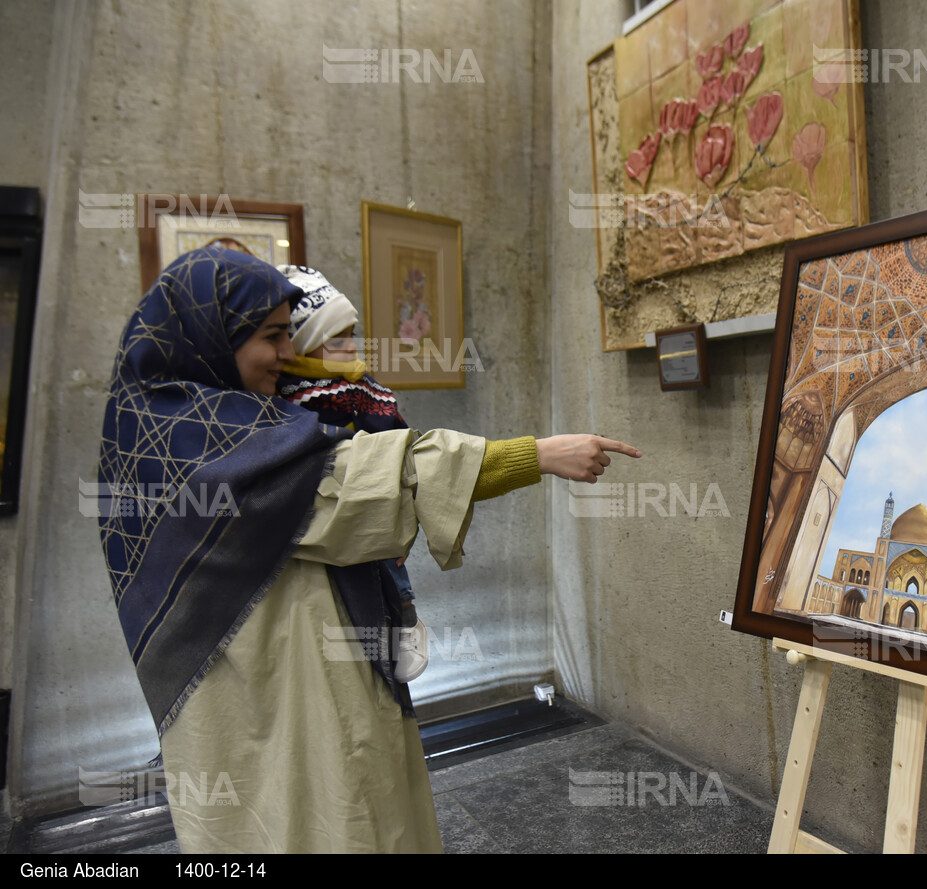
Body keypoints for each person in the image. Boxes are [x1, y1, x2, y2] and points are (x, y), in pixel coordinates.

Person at [97, 245, 639, 853]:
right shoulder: (207, 441)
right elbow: (363, 483)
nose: (287, 352)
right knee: (329, 819)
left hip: (284, 674)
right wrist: (535, 456)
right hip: (277, 696)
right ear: (213, 335)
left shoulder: (170, 417)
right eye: (272, 336)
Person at [273, 263, 426, 679]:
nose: (350, 347)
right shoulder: (287, 393)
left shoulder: (361, 385)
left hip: (376, 494)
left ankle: (406, 618)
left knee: (391, 567)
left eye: (351, 335)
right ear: (304, 345)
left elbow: (395, 435)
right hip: (326, 510)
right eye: (335, 339)